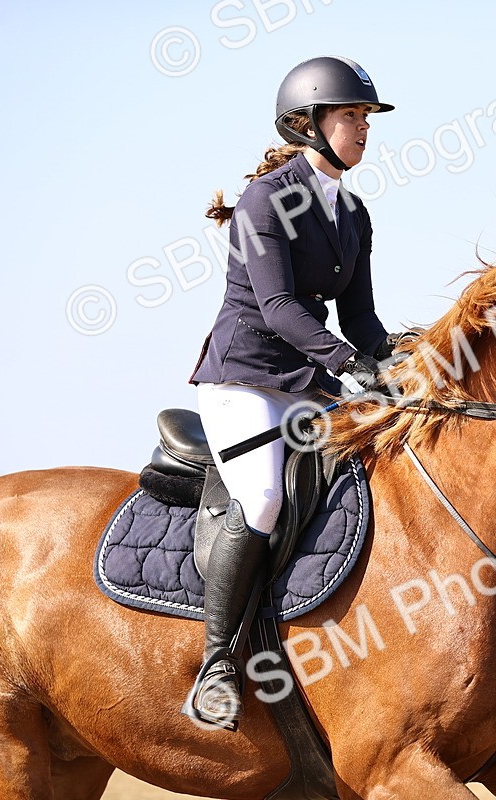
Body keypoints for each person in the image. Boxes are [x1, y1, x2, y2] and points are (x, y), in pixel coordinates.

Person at [183, 55, 408, 730]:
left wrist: (398, 364)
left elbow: (360, 317)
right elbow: (279, 307)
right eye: (350, 115)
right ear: (307, 124)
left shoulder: (354, 213)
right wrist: (350, 364)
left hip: (308, 380)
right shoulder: (267, 200)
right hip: (244, 378)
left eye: (366, 117)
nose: (363, 128)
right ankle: (217, 665)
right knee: (263, 496)